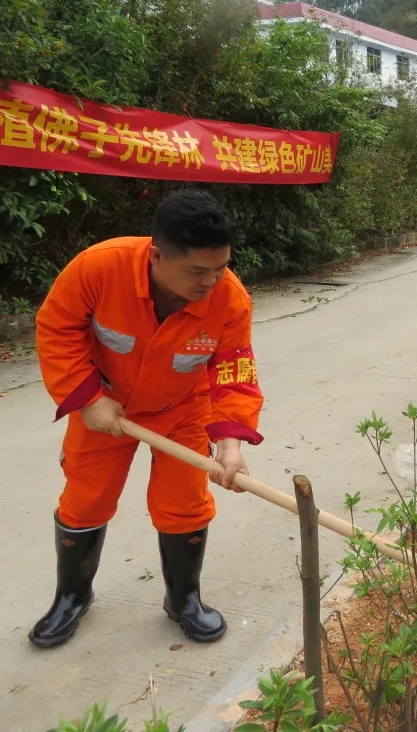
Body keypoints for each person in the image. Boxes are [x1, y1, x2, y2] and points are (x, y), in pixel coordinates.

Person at [30, 188, 264, 648]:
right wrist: (86, 398)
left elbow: (234, 370)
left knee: (184, 506)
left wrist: (230, 445)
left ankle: (183, 599)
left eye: (220, 268)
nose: (211, 282)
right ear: (157, 255)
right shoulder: (99, 268)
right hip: (104, 409)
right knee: (85, 500)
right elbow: (57, 328)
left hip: (182, 410)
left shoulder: (229, 300)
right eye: (198, 271)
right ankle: (72, 596)